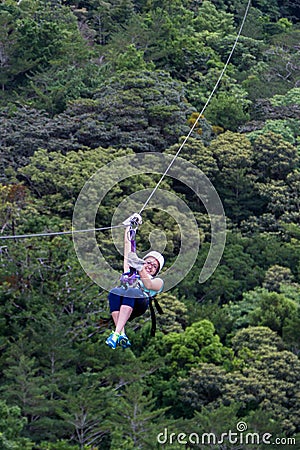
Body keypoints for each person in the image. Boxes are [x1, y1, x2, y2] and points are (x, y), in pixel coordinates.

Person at [106, 213, 164, 349]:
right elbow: (128, 248)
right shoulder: (132, 271)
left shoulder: (158, 282)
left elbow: (149, 285)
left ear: (156, 271)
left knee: (131, 291)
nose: (150, 266)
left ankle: (116, 333)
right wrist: (130, 228)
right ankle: (120, 334)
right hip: (127, 299)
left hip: (141, 302)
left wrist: (140, 267)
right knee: (115, 292)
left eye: (154, 266)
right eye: (148, 262)